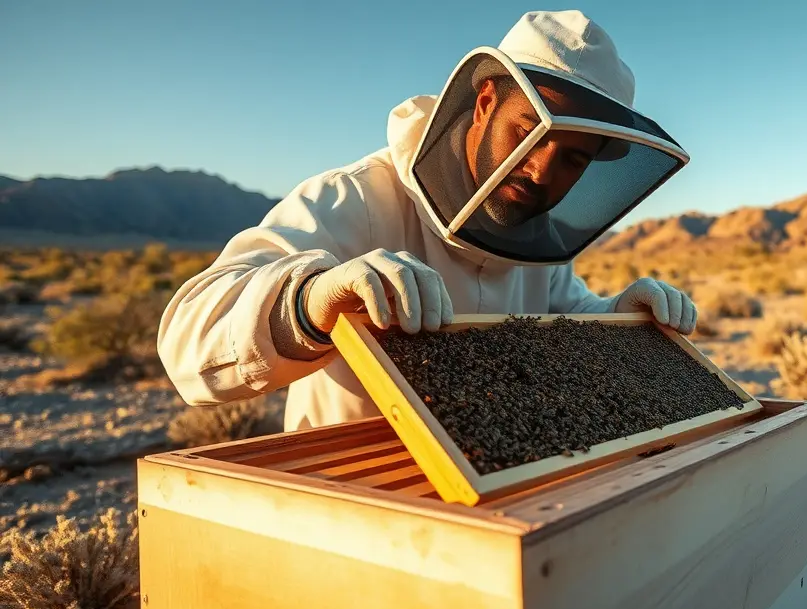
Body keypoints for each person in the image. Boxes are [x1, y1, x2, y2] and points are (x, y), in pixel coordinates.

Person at [157, 10, 699, 432]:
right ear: (485, 101)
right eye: (529, 131)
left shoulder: (538, 236)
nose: (540, 170)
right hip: (356, 505)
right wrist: (310, 300)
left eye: (573, 158)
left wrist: (616, 321)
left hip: (496, 504)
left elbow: (564, 312)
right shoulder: (356, 198)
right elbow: (187, 341)